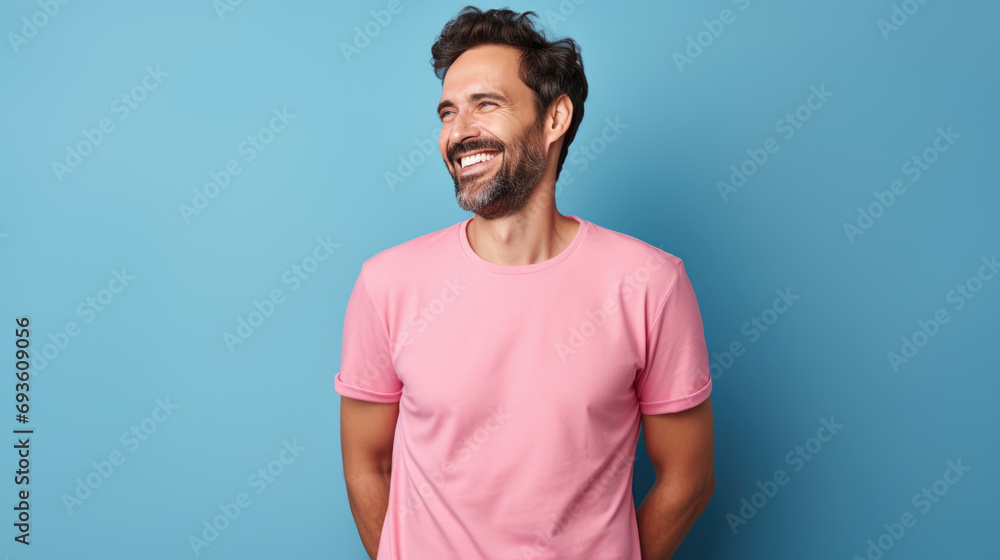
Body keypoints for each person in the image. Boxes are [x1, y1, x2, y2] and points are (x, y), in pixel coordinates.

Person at [336, 7, 714, 559]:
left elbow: (688, 478)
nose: (460, 132)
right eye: (448, 112)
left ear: (555, 118)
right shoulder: (387, 283)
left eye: (485, 104)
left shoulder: (650, 284)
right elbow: (365, 465)